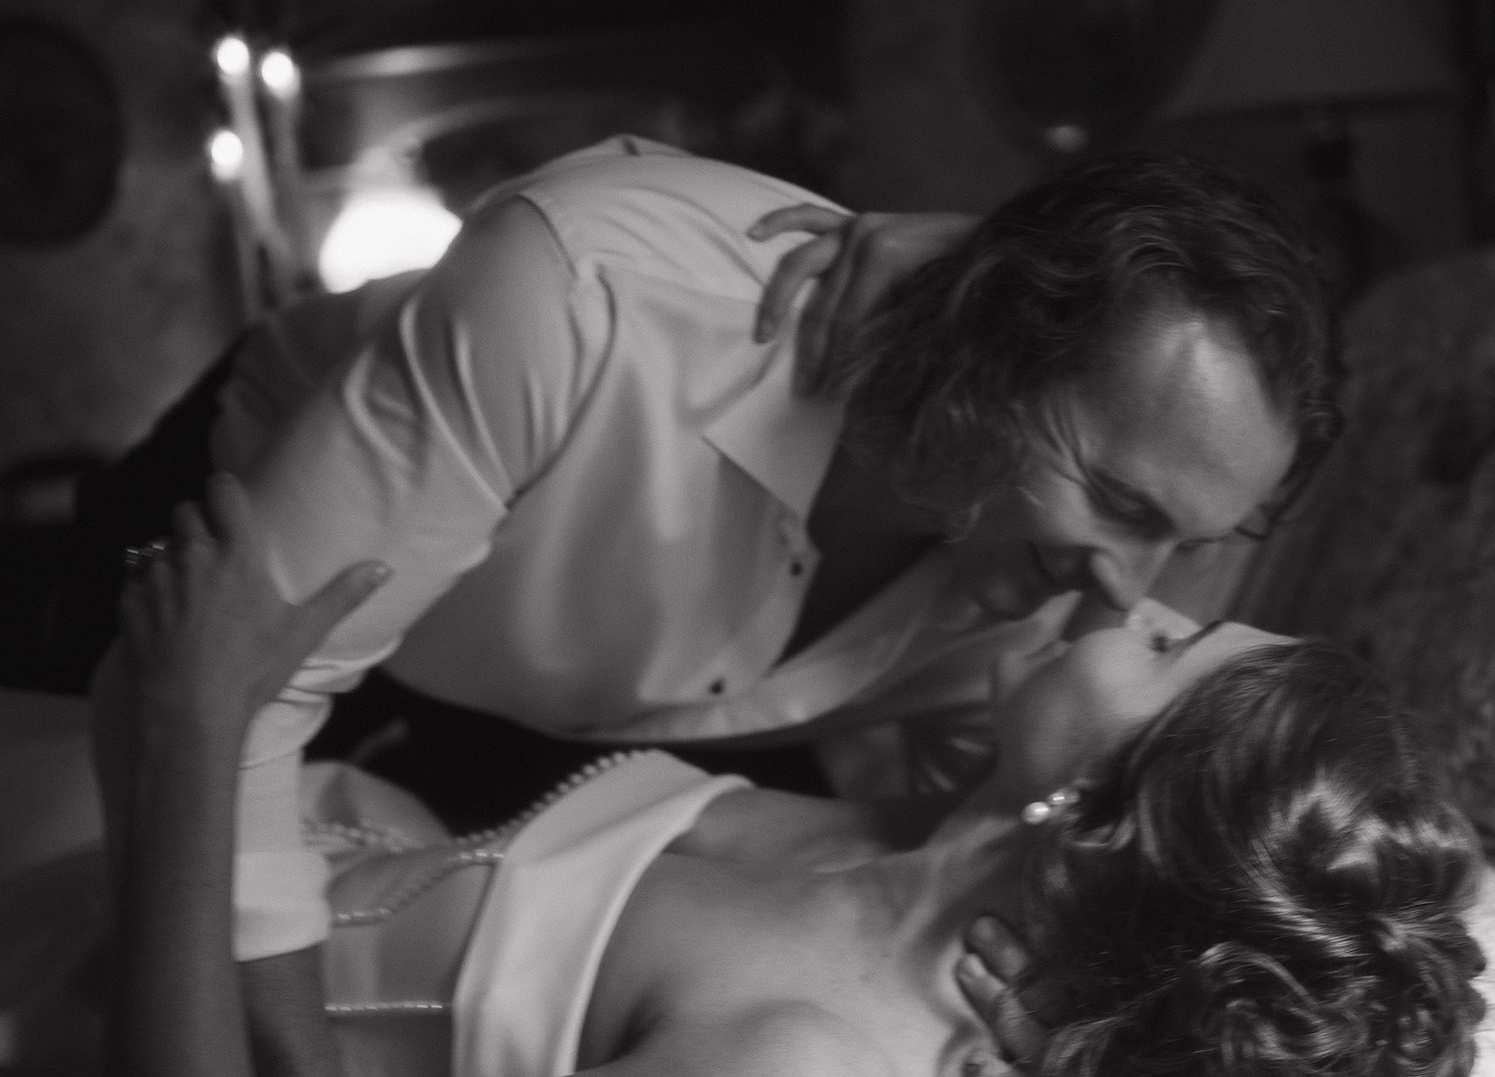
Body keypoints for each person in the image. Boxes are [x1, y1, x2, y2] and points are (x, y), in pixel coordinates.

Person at [76, 476, 1480, 1077]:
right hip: (241, 851)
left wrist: (198, 724)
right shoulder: (913, 850)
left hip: (111, 982)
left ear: (1107, 821)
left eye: (1172, 642)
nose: (1133, 598)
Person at [63, 138, 1336, 986]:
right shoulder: (588, 291)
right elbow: (235, 701)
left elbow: (984, 858)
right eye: (1115, 499)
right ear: (990, 336)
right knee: (70, 857)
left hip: (598, 705)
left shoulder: (1057, 585)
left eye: (1187, 539)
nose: (1126, 590)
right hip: (230, 539)